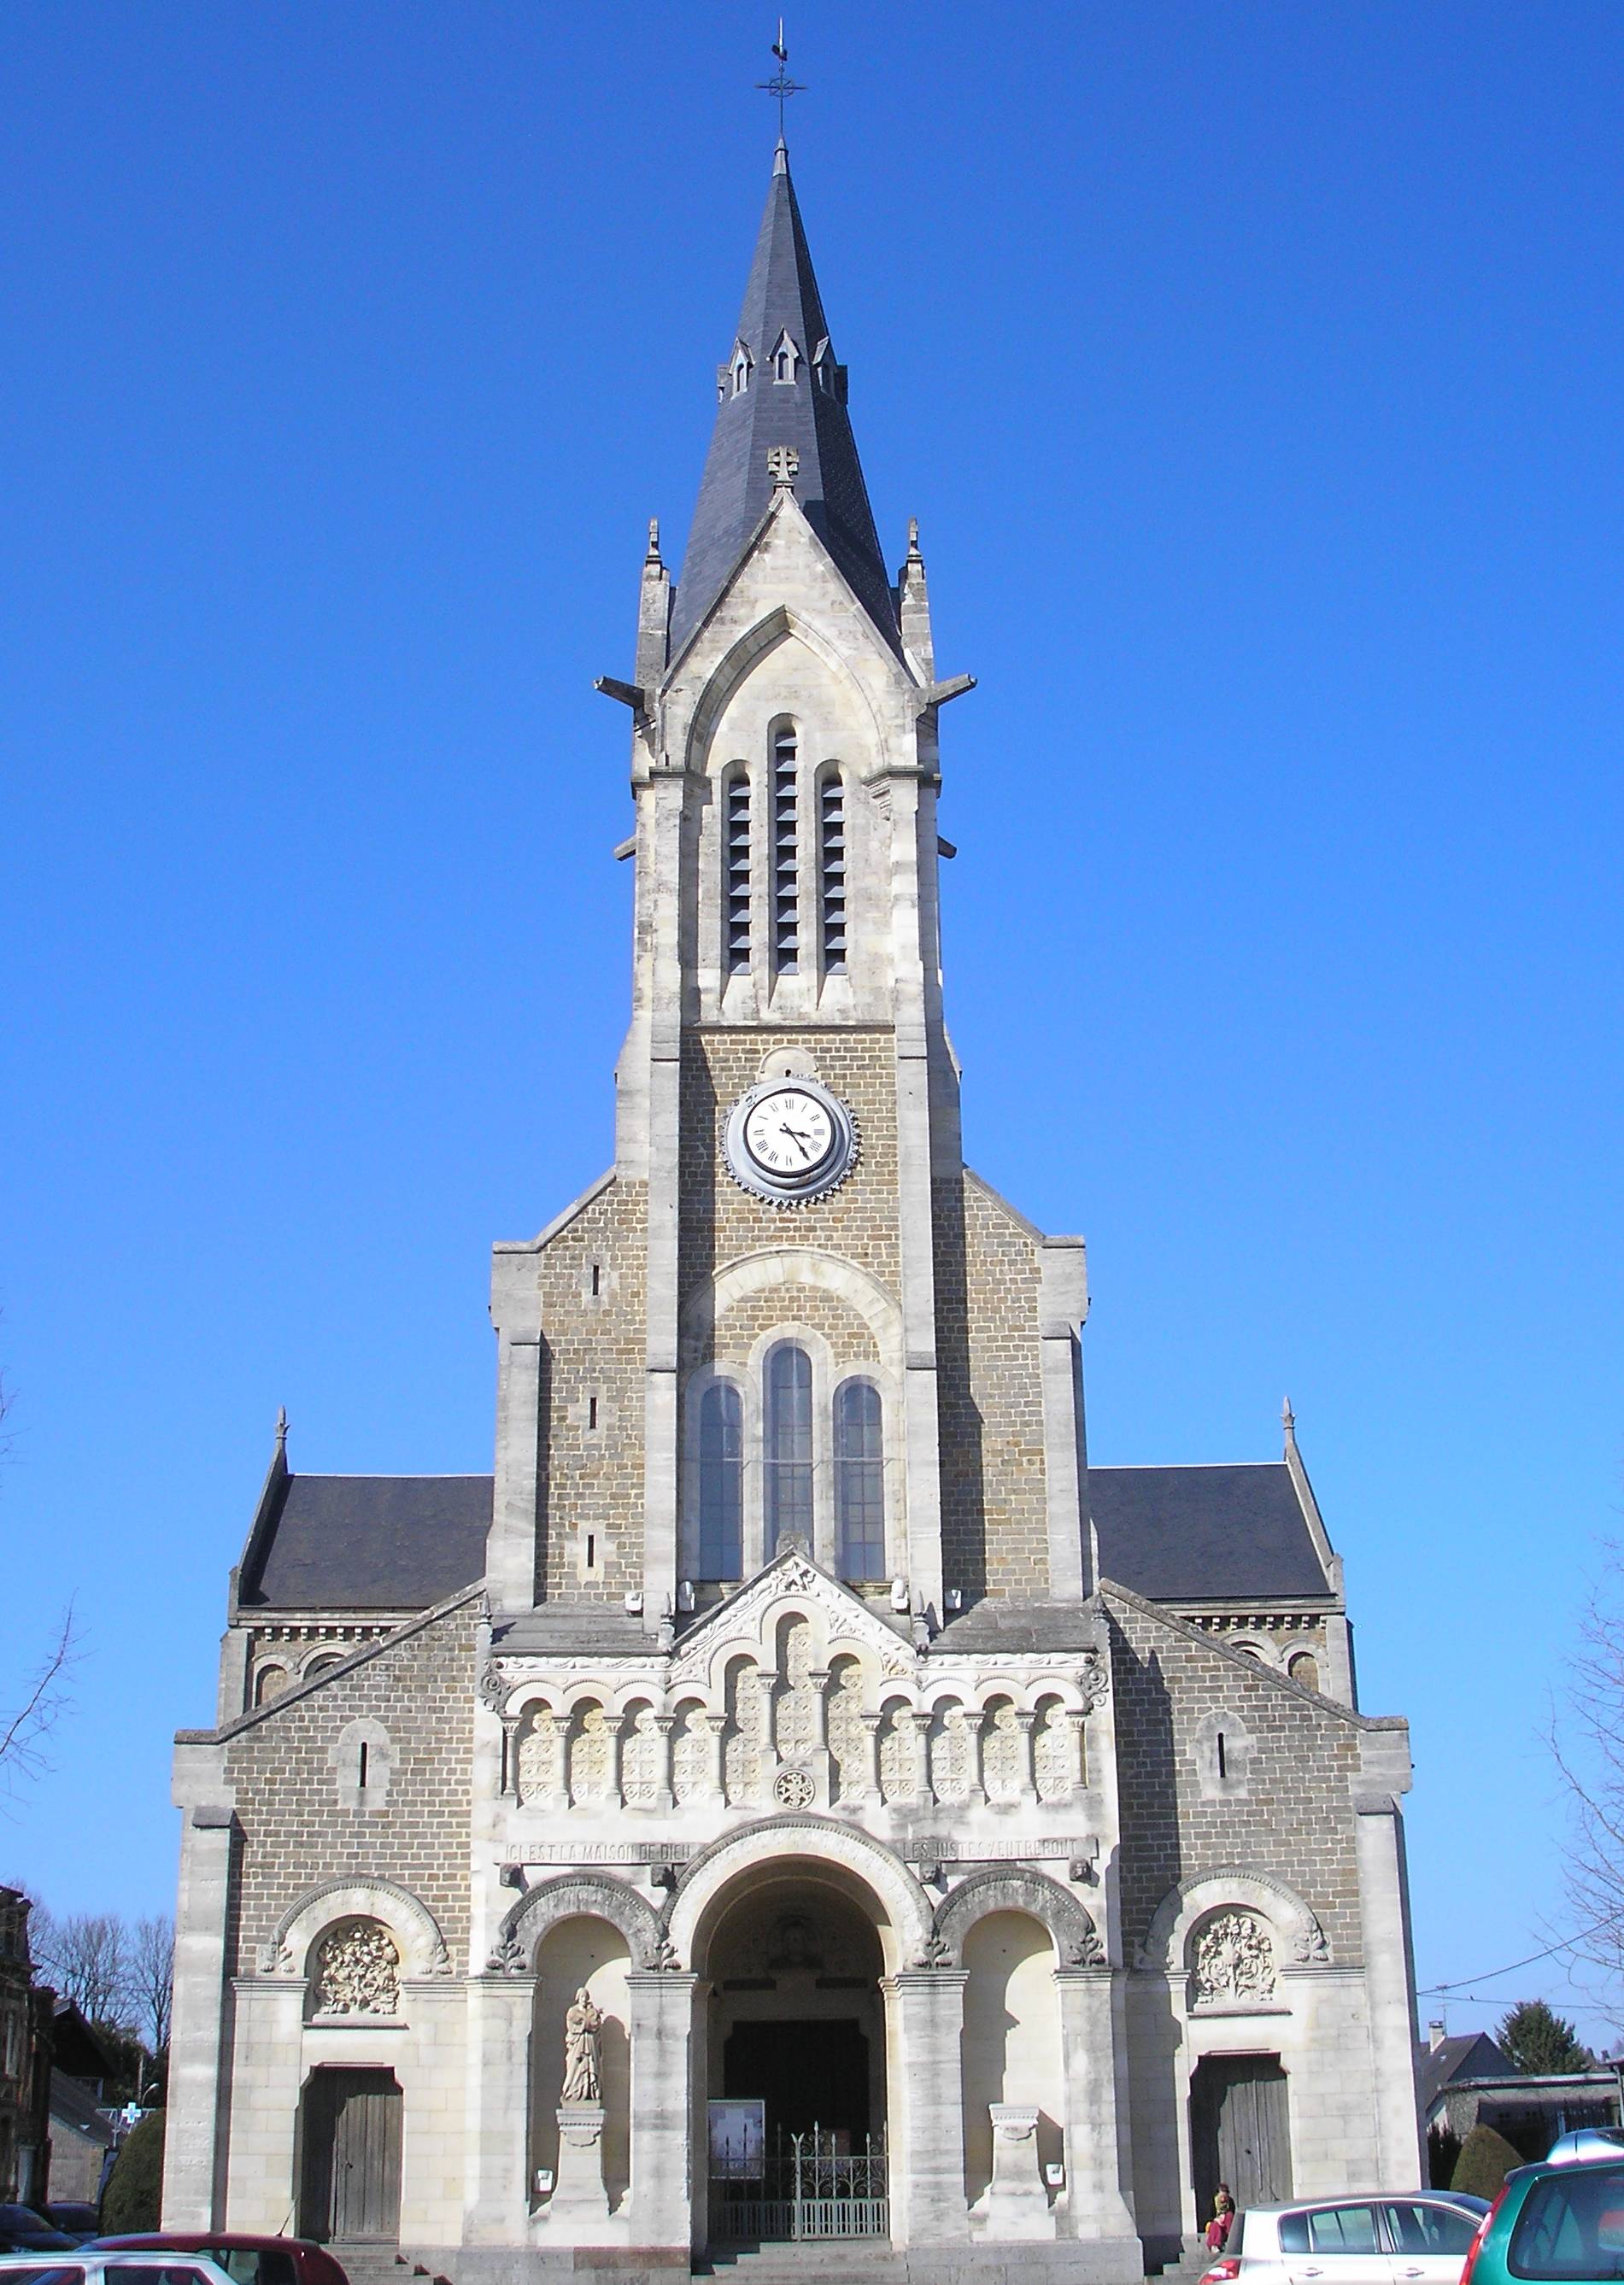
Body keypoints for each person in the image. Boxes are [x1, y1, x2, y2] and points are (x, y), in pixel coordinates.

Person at [1205, 2186, 1236, 2253]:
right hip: (1216, 2221)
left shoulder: (1230, 2201)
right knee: (1214, 2225)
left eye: (1225, 2197)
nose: (1223, 2199)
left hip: (1226, 2223)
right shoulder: (1213, 2202)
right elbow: (1209, 2217)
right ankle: (1215, 2245)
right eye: (1221, 2196)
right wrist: (1217, 2219)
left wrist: (1224, 2216)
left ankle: (1229, 2237)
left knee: (1229, 2215)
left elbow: (1233, 2212)